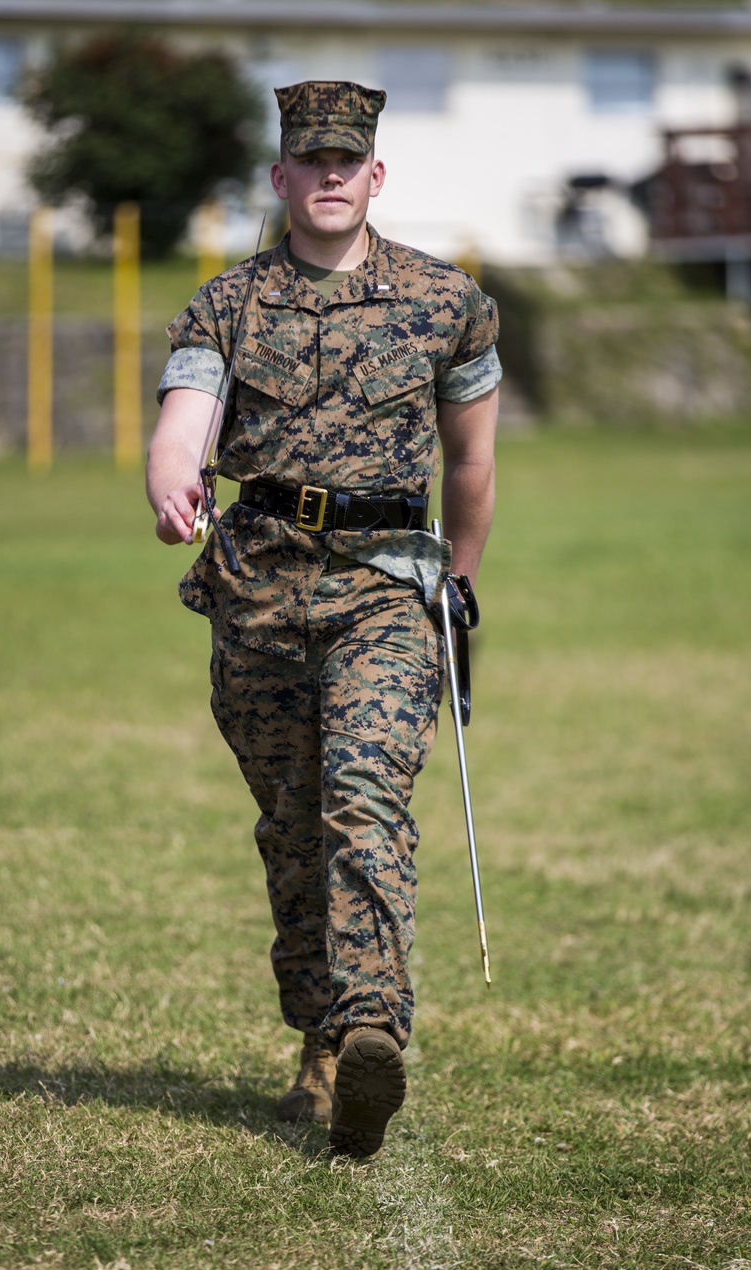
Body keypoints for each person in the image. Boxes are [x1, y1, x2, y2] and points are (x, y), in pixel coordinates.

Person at [146, 81, 501, 1157]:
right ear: (282, 178)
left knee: (363, 793)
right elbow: (185, 420)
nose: (332, 175)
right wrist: (170, 486)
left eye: (350, 160)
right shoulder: (227, 304)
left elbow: (473, 458)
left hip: (387, 589)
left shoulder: (447, 301)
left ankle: (367, 1030)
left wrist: (458, 579)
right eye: (313, 160)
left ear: (376, 175)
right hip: (256, 591)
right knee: (294, 828)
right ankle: (316, 1038)